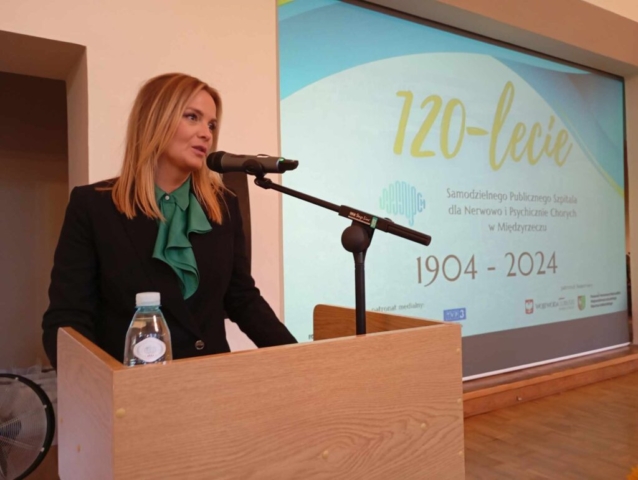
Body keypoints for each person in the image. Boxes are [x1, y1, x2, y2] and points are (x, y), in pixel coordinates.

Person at [42, 73, 297, 368]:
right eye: (192, 117)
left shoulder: (224, 206)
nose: (206, 134)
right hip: (130, 387)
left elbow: (242, 298)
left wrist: (300, 361)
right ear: (155, 119)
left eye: (211, 125)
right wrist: (92, 384)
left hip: (212, 379)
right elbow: (68, 319)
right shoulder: (93, 206)